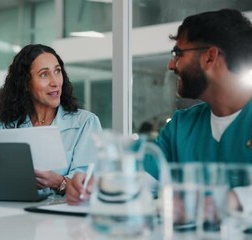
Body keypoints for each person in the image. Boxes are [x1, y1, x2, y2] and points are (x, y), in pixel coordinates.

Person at [66, 8, 252, 206]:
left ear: (210, 57)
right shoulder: (181, 125)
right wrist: (95, 187)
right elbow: (140, 180)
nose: (171, 65)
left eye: (178, 54)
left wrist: (224, 204)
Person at [0, 44, 102, 195]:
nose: (55, 82)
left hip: (66, 217)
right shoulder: (4, 128)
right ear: (25, 83)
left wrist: (58, 182)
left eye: (57, 71)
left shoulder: (86, 123)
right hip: (16, 214)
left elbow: (91, 186)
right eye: (44, 74)